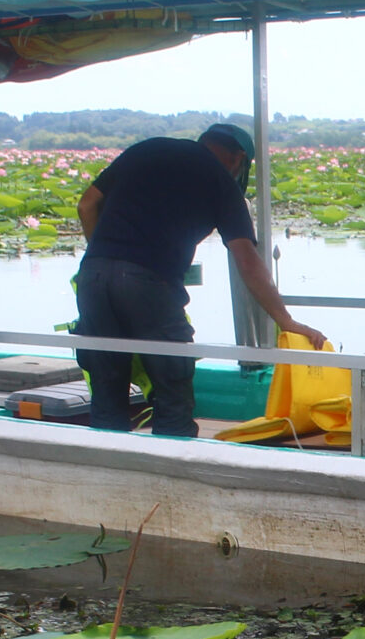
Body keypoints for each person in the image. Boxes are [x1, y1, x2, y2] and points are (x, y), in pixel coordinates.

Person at [72, 123, 325, 436]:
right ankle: (173, 473)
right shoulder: (220, 181)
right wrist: (286, 321)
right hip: (148, 285)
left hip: (93, 277)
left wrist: (104, 258)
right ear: (238, 159)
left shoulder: (146, 149)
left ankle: (106, 470)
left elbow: (86, 205)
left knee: (106, 386)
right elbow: (247, 260)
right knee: (171, 388)